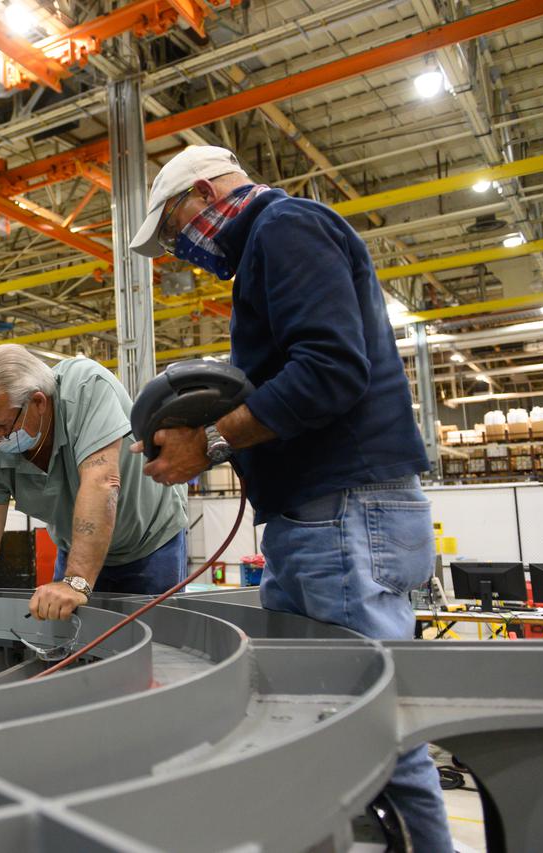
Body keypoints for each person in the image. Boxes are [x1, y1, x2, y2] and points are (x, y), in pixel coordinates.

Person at [128, 145, 452, 851]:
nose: (183, 249)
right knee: (335, 712)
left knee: (370, 723)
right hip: (332, 513)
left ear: (208, 190)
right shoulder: (276, 246)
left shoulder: (285, 228)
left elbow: (328, 371)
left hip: (342, 510)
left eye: (179, 226)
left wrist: (210, 442)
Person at [0, 345, 188, 668]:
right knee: (69, 661)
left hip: (147, 544)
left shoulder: (86, 389)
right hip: (76, 551)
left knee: (157, 660)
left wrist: (75, 581)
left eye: (3, 425)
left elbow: (101, 483)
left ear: (38, 403)